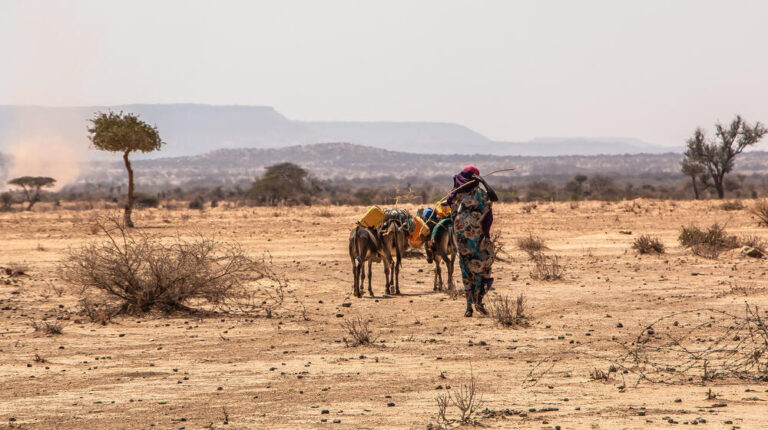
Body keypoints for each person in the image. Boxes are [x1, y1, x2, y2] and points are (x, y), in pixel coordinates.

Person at [444, 165, 499, 317]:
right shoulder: (480, 194)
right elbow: (489, 211)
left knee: (465, 268)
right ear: (475, 178)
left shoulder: (455, 195)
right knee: (483, 266)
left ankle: (469, 306)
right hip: (477, 239)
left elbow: (451, 216)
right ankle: (479, 301)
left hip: (460, 240)